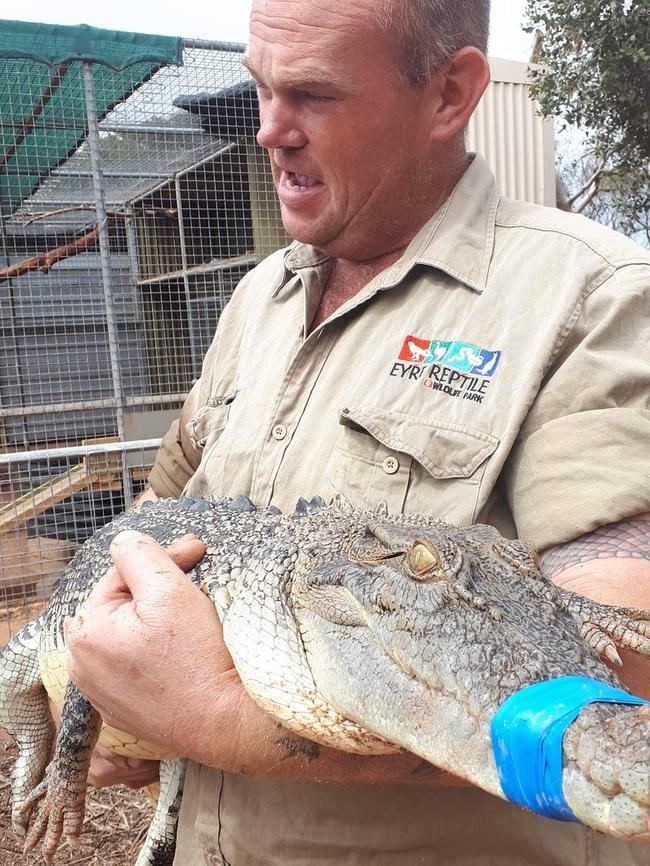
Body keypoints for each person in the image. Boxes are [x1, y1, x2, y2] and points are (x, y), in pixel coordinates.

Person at [65, 0, 650, 863]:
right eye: (262, 88)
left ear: (449, 93)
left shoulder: (592, 300)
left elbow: (622, 688)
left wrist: (218, 717)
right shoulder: (257, 300)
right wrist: (115, 672)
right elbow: (154, 521)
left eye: (313, 94)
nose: (269, 131)